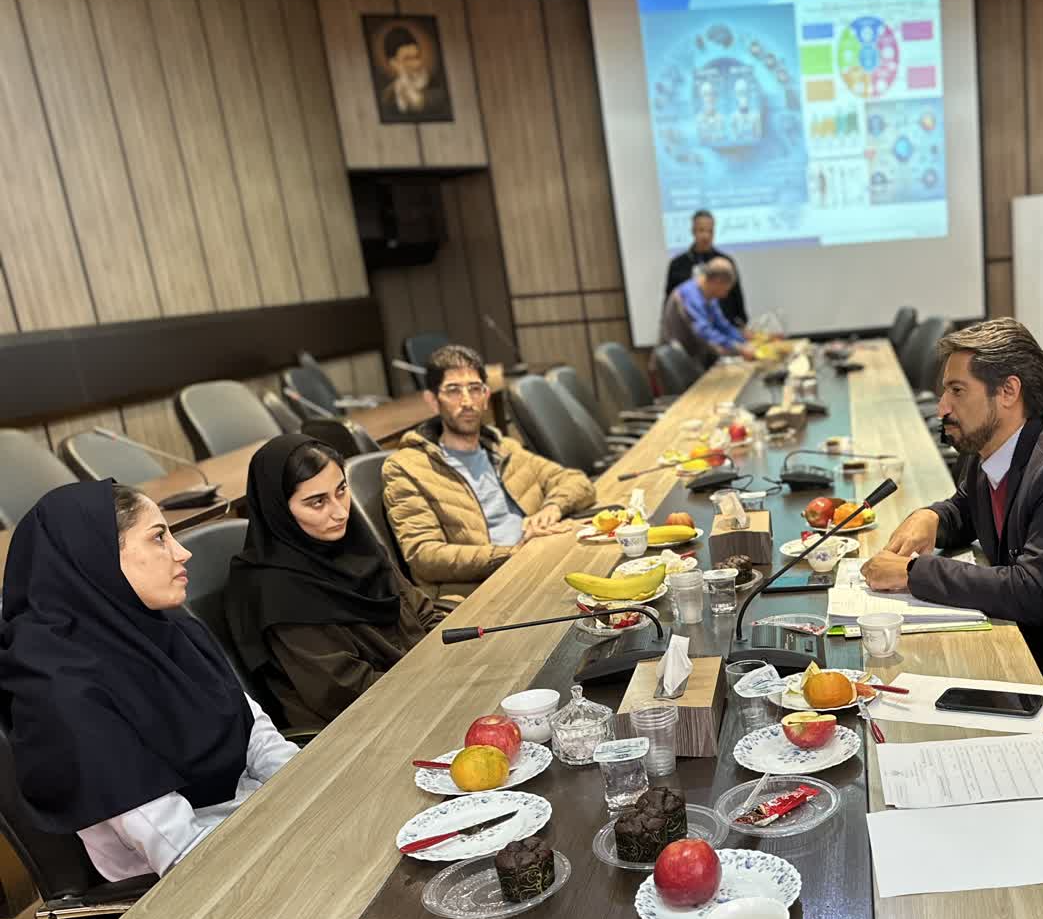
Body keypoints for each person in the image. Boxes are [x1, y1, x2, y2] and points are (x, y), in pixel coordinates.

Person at [0, 482, 298, 880]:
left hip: (260, 823)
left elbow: (259, 739)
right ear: (98, 558)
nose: (181, 552)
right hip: (191, 879)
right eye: (159, 538)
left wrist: (314, 793)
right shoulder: (62, 694)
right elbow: (181, 851)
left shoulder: (172, 630)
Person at [861, 317, 1043, 673]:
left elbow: (1030, 591)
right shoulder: (989, 442)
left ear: (1007, 392)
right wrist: (933, 517)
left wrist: (912, 573)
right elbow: (968, 508)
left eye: (957, 391)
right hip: (1017, 638)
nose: (942, 407)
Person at [227, 435, 444, 729]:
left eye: (341, 490)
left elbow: (424, 614)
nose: (341, 512)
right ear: (278, 509)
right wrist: (437, 679)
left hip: (420, 690)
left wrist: (456, 658)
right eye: (317, 502)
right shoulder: (275, 590)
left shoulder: (358, 545)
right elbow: (344, 689)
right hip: (361, 728)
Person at [383, 344, 596, 599]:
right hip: (484, 590)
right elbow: (424, 556)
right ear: (432, 400)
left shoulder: (502, 448)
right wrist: (512, 552)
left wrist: (552, 508)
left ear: (485, 396)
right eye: (453, 390)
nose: (467, 401)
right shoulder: (406, 467)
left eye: (475, 389)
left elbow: (576, 481)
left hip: (539, 562)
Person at [659, 258, 754, 368]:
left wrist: (743, 341)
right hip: (678, 362)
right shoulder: (689, 296)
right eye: (726, 290)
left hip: (693, 357)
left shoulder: (708, 294)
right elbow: (704, 332)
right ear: (717, 282)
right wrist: (739, 348)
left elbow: (722, 325)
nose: (725, 295)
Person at [663, 210, 748, 327]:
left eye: (710, 231)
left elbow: (737, 297)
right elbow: (669, 300)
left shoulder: (724, 263)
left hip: (723, 325)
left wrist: (742, 324)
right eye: (701, 230)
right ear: (693, 231)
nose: (706, 236)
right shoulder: (678, 264)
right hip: (689, 327)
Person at [377, 24, 448, 120]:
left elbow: (418, 103)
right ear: (394, 63)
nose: (416, 64)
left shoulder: (436, 87)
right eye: (408, 59)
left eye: (417, 57)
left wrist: (406, 83)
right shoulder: (388, 95)